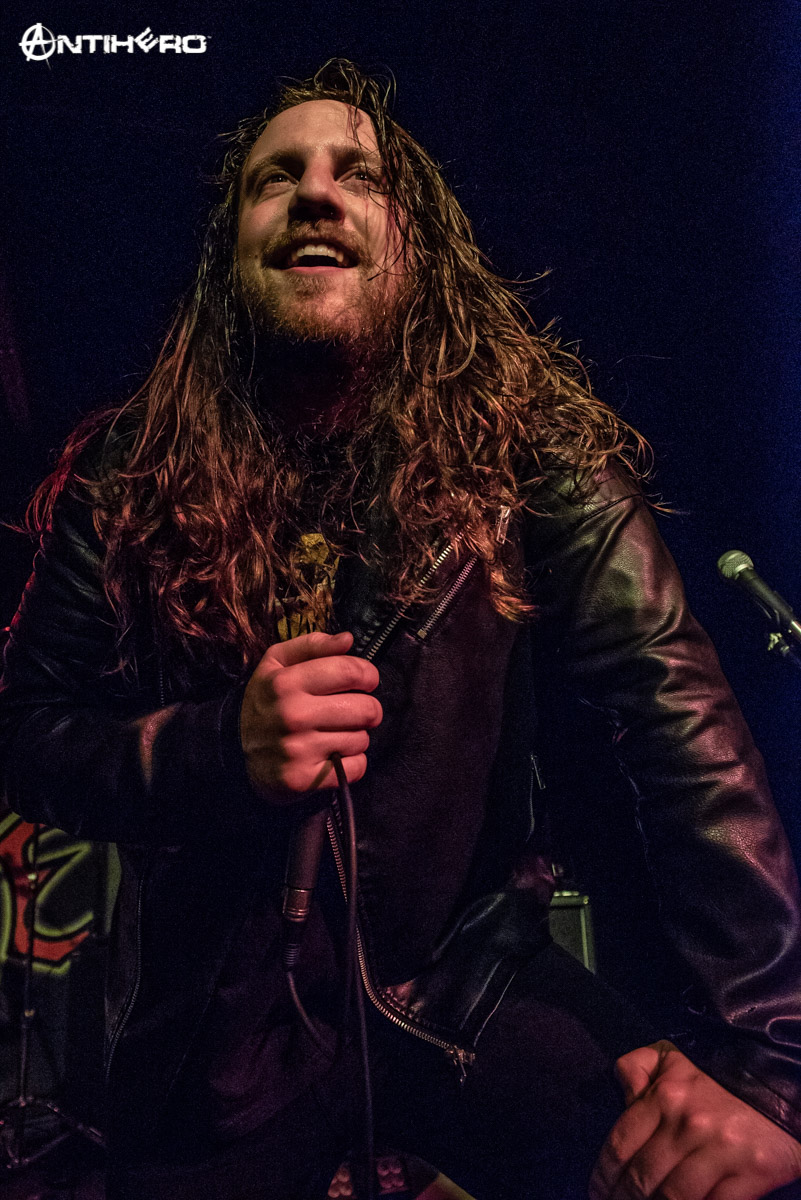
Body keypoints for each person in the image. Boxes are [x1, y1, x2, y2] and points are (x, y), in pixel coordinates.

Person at [2, 58, 801, 1200]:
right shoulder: (129, 472)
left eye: (358, 175)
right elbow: (28, 731)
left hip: (464, 986)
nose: (315, 194)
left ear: (416, 247)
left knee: (697, 1168)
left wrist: (769, 1066)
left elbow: (676, 714)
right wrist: (215, 747)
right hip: (208, 1032)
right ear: (228, 252)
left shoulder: (528, 447)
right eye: (275, 178)